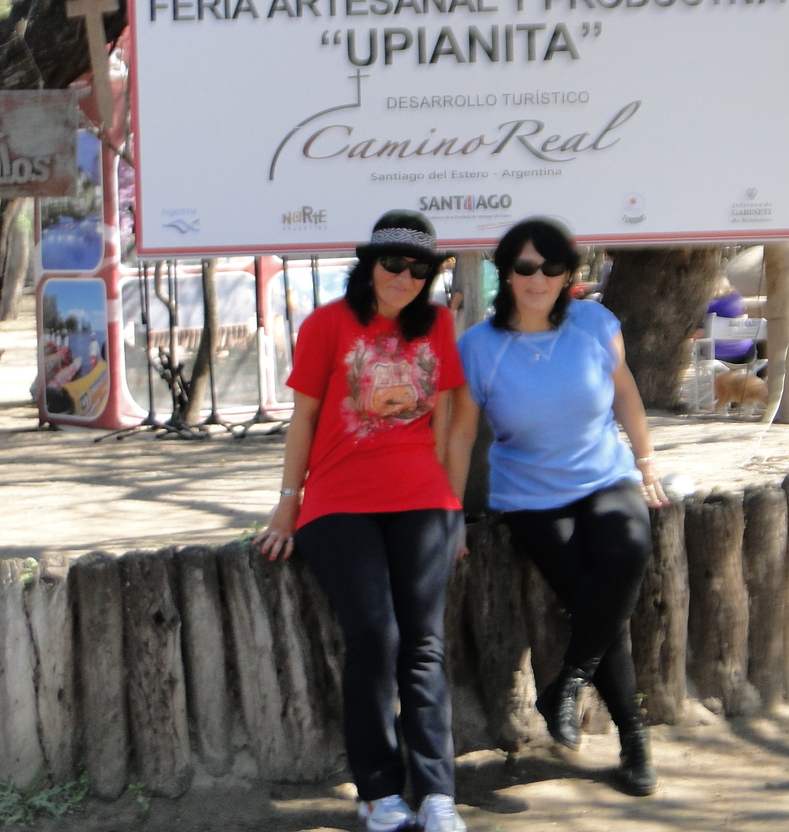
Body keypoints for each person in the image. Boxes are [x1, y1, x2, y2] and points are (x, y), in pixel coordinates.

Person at [253, 210, 469, 832]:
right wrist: (288, 502)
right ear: (370, 265)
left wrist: (452, 509)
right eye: (393, 263)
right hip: (339, 502)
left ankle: (437, 794)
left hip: (423, 500)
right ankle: (378, 792)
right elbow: (303, 418)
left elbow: (445, 421)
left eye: (419, 269)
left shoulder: (439, 325)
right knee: (375, 636)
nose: (405, 277)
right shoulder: (327, 323)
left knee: (424, 643)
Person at [447, 217, 666, 798]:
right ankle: (635, 739)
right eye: (525, 266)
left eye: (552, 267)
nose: (538, 278)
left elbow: (625, 393)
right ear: (506, 273)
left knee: (628, 551)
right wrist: (449, 511)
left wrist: (646, 462)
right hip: (531, 496)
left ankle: (568, 682)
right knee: (598, 605)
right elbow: (461, 436)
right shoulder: (479, 347)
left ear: (568, 274)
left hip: (606, 477)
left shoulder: (595, 322)